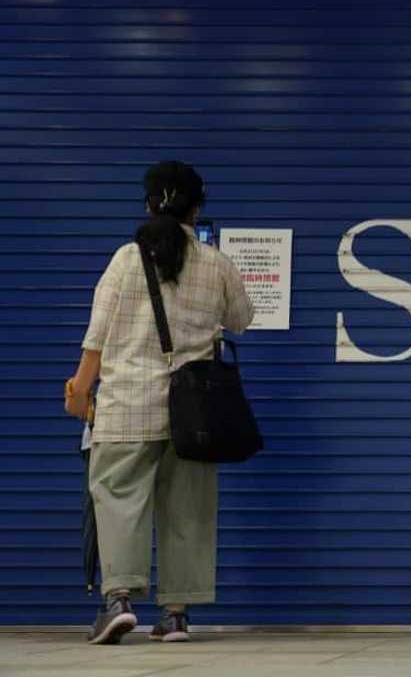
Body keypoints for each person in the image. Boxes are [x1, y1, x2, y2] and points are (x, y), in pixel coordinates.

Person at [66, 161, 254, 644]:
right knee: (187, 508)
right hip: (192, 414)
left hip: (127, 404)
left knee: (118, 502)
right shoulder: (216, 264)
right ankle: (175, 615)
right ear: (197, 207)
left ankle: (120, 602)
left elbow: (98, 334)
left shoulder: (127, 259)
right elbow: (242, 319)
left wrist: (81, 388)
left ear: (149, 203)